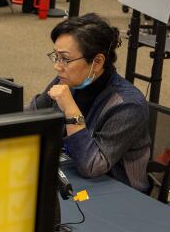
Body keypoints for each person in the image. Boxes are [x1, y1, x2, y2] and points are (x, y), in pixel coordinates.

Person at [28, 13, 151, 192]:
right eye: (56, 56)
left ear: (97, 61)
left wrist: (71, 110)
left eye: (65, 59)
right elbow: (29, 115)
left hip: (117, 192)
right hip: (70, 173)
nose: (57, 66)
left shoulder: (127, 105)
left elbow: (92, 166)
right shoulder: (67, 81)